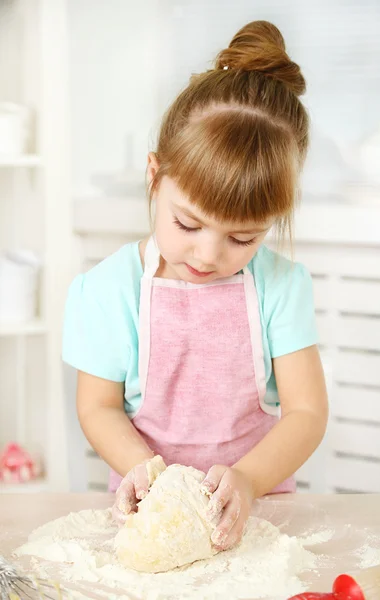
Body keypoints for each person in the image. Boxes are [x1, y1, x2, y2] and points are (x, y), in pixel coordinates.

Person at [62, 20, 328, 553]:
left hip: (259, 509)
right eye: (188, 224)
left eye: (243, 237)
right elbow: (98, 406)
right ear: (155, 177)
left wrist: (248, 481)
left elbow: (306, 412)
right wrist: (143, 471)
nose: (209, 256)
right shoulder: (112, 288)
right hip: (148, 507)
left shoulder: (279, 285)